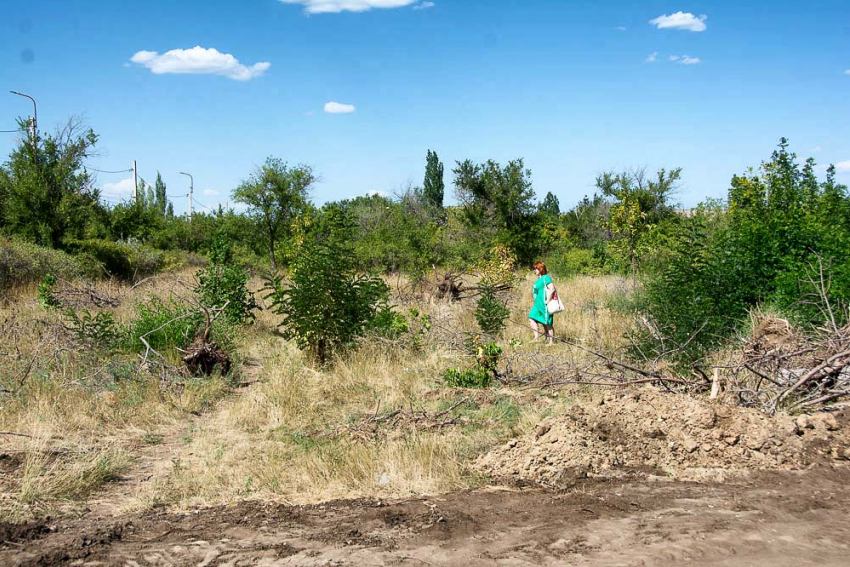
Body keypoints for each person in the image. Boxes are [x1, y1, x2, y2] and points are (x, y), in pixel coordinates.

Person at [528, 261, 555, 345]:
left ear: (541, 269)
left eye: (536, 269)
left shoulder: (546, 278)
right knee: (531, 317)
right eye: (534, 269)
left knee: (547, 322)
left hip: (544, 304)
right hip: (537, 304)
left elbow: (552, 289)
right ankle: (536, 338)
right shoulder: (538, 280)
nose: (534, 270)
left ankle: (551, 342)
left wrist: (547, 300)